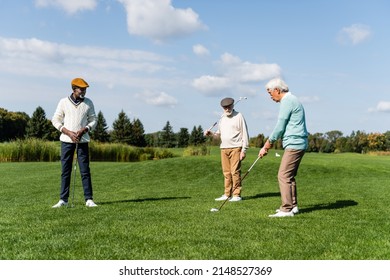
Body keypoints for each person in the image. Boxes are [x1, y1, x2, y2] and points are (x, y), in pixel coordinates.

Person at [259, 78, 308, 217]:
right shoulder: (292, 100)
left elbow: (280, 126)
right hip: (298, 143)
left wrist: (267, 145)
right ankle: (293, 206)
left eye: (270, 93)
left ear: (277, 90)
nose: (270, 97)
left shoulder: (287, 101)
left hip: (294, 143)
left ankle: (286, 209)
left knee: (283, 175)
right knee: (289, 176)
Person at [51, 78, 98, 208]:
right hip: (66, 141)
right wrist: (67, 132)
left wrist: (85, 129)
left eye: (85, 89)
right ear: (74, 89)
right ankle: (63, 200)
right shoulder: (63, 102)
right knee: (65, 171)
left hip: (82, 140)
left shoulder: (88, 103)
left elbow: (94, 120)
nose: (84, 91)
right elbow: (55, 120)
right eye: (81, 89)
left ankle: (89, 199)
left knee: (85, 171)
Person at [205, 97, 249, 202]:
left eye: (229, 107)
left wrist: (244, 150)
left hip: (236, 148)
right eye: (225, 107)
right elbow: (218, 135)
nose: (227, 109)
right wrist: (210, 134)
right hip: (224, 148)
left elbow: (245, 134)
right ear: (222, 108)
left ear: (233, 106)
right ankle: (227, 194)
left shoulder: (239, 116)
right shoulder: (222, 118)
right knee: (226, 173)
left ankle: (236, 195)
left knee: (235, 172)